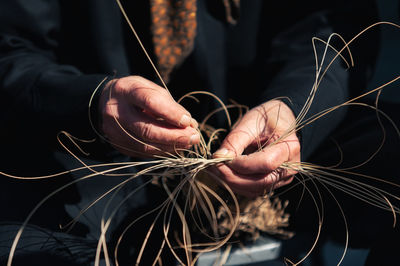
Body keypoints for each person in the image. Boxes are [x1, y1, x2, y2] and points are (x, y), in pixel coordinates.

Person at [1, 0, 395, 265]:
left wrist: (292, 107)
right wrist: (89, 101)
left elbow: (330, 29)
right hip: (81, 150)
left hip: (259, 138)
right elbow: (11, 46)